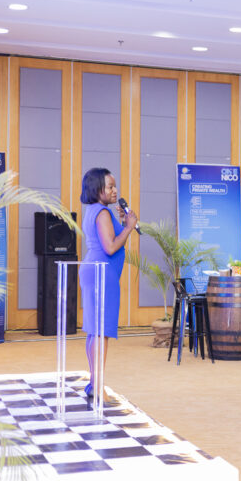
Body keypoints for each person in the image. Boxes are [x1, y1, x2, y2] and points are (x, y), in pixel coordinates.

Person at [79, 168, 138, 398]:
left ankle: (94, 383)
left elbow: (109, 239)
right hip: (101, 273)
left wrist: (122, 221)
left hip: (97, 271)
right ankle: (98, 385)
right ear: (97, 189)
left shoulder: (94, 210)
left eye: (115, 186)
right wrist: (129, 227)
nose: (115, 190)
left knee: (95, 331)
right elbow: (111, 246)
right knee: (100, 331)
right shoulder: (102, 212)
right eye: (110, 186)